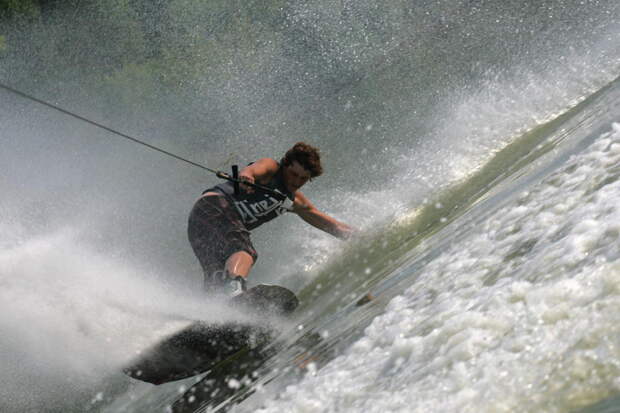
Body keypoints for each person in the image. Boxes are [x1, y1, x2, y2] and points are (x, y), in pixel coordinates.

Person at [188, 142, 355, 297]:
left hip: (198, 223)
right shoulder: (271, 169)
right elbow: (254, 169)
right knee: (243, 250)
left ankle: (213, 313)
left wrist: (358, 236)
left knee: (215, 274)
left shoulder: (293, 200)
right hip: (214, 206)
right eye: (293, 174)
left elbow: (325, 221)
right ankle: (234, 293)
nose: (296, 181)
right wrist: (247, 175)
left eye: (303, 178)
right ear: (285, 165)